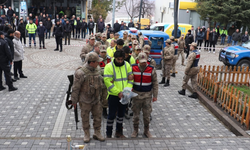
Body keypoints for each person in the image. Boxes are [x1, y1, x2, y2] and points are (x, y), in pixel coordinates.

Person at [71, 52, 105, 143]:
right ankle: (86, 133)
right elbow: (75, 88)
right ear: (91, 62)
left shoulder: (97, 69)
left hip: (96, 99)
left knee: (98, 116)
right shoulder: (81, 72)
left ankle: (97, 132)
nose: (99, 63)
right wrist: (74, 101)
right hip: (85, 100)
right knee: (85, 117)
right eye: (97, 61)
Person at [103, 50, 133, 138]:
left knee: (121, 115)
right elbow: (107, 82)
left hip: (125, 95)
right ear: (114, 58)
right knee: (111, 115)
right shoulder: (109, 67)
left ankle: (119, 132)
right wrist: (118, 92)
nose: (120, 61)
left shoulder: (127, 65)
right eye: (118, 59)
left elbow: (131, 79)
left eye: (121, 59)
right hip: (113, 96)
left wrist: (126, 92)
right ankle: (108, 134)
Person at [131, 52, 158, 138]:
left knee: (146, 115)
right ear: (137, 60)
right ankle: (135, 130)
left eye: (144, 61)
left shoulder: (151, 69)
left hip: (147, 96)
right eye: (141, 61)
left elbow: (155, 83)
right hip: (136, 95)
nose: (143, 63)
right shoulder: (133, 68)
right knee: (136, 115)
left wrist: (155, 96)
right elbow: (129, 82)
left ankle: (146, 131)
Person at [99, 45, 111, 119]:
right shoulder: (96, 59)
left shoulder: (110, 59)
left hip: (106, 83)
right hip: (98, 82)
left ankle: (104, 111)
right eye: (102, 52)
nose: (103, 53)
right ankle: (95, 112)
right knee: (97, 98)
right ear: (99, 52)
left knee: (105, 98)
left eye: (104, 52)